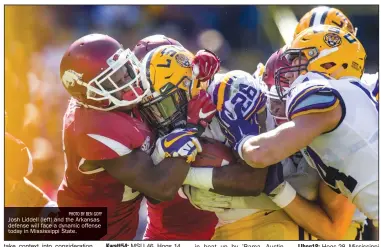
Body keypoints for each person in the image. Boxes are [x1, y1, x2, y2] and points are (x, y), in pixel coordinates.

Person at [57, 33, 215, 240]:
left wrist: (191, 64)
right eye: (112, 82)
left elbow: (152, 51)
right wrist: (191, 127)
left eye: (125, 71)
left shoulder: (116, 100)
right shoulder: (93, 127)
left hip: (123, 229)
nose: (128, 82)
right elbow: (161, 188)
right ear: (90, 94)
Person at [232, 25, 378, 233]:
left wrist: (239, 137)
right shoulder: (348, 103)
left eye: (298, 58)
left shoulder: (330, 95)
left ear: (328, 62)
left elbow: (260, 154)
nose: (289, 69)